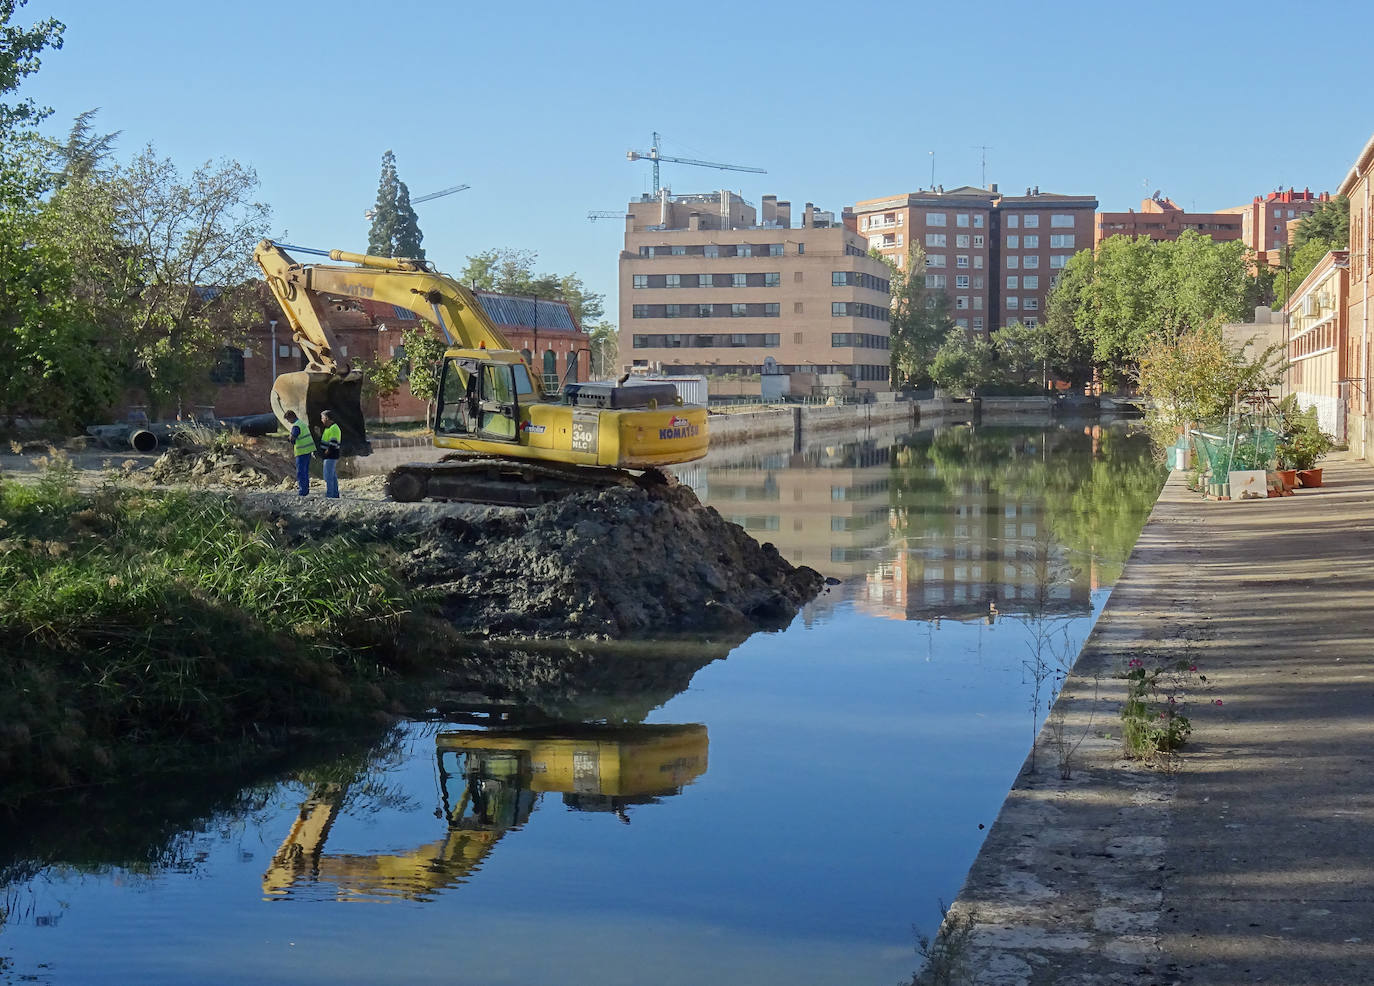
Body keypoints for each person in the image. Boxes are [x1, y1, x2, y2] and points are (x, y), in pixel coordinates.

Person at [283, 409, 315, 496]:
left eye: (288, 420)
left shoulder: (296, 426)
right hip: (308, 451)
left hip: (301, 452)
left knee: (300, 472)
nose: (289, 422)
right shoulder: (302, 424)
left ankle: (302, 492)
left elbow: (293, 438)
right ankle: (306, 490)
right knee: (305, 471)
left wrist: (289, 438)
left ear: (291, 417)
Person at [319, 409, 342, 499]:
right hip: (330, 456)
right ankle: (335, 494)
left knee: (328, 476)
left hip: (331, 456)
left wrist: (326, 452)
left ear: (327, 418)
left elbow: (333, 443)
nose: (322, 420)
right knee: (332, 476)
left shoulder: (334, 428)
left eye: (322, 418)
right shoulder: (329, 428)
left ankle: (330, 495)